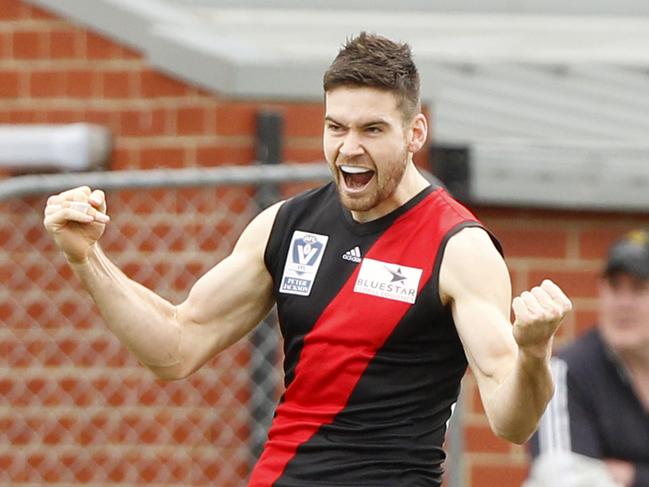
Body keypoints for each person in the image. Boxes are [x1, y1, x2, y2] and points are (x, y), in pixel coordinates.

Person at [43, 32, 572, 486]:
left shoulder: (458, 247)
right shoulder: (286, 225)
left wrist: (533, 352)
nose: (348, 148)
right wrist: (88, 259)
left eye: (372, 130)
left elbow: (511, 421)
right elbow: (176, 345)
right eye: (335, 127)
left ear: (415, 134)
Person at [527, 230, 649, 487]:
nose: (623, 303)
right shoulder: (566, 372)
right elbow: (560, 479)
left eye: (639, 289)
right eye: (614, 287)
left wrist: (634, 476)